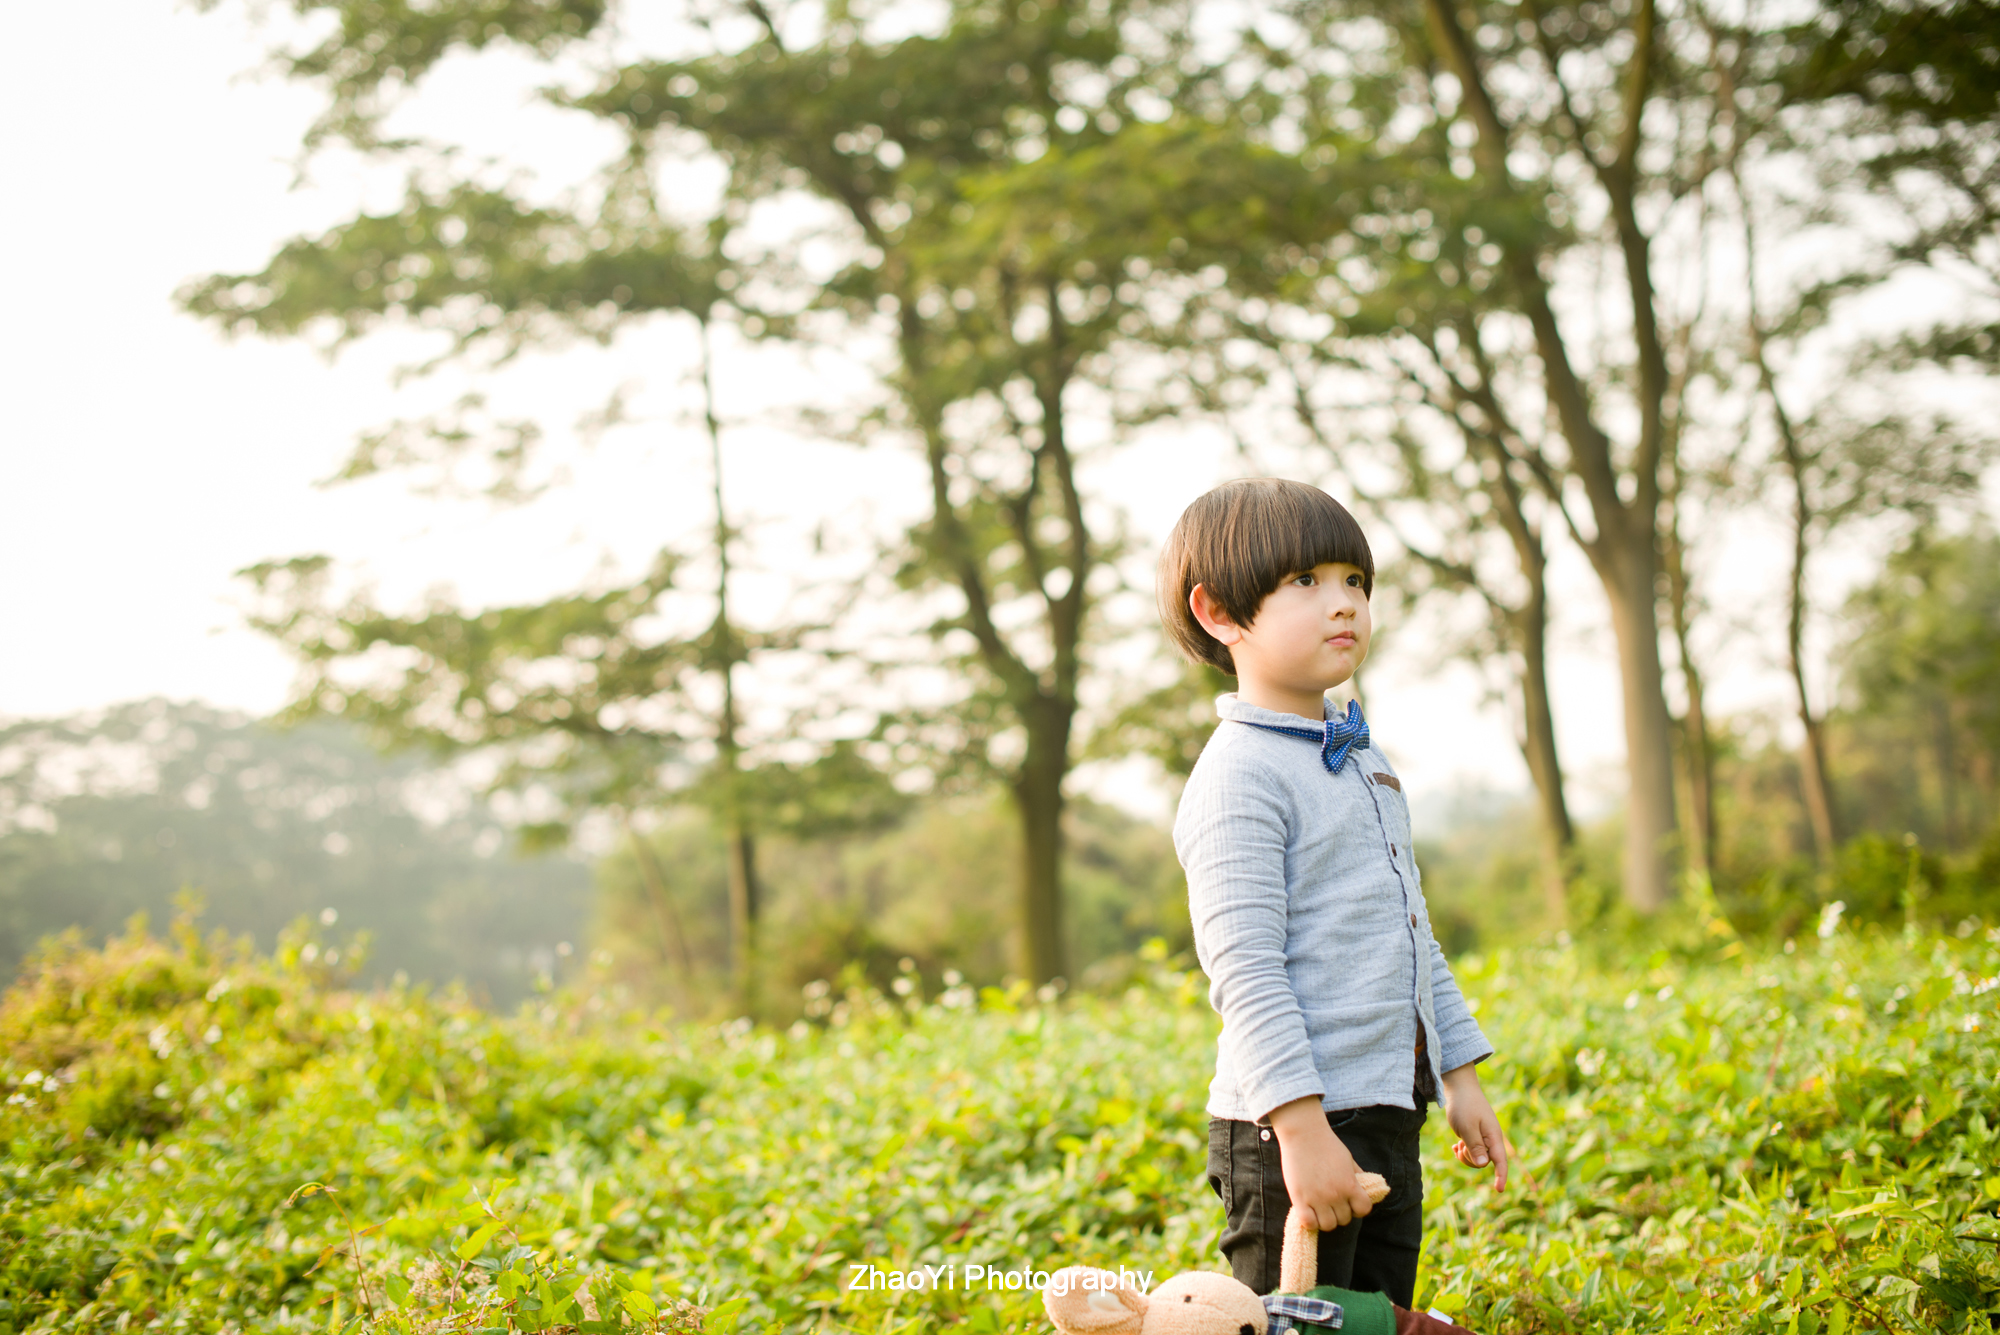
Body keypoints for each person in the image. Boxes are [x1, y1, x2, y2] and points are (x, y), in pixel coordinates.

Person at [1160, 477, 1508, 1308]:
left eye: (1355, 579)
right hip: (1290, 1123)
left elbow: (1411, 930)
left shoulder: (1363, 757)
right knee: (1290, 1322)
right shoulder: (1238, 775)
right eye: (1305, 581)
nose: (1344, 602)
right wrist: (1303, 1130)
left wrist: (1459, 1072)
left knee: (1374, 1318)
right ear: (1219, 612)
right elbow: (1245, 969)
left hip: (1388, 1100)